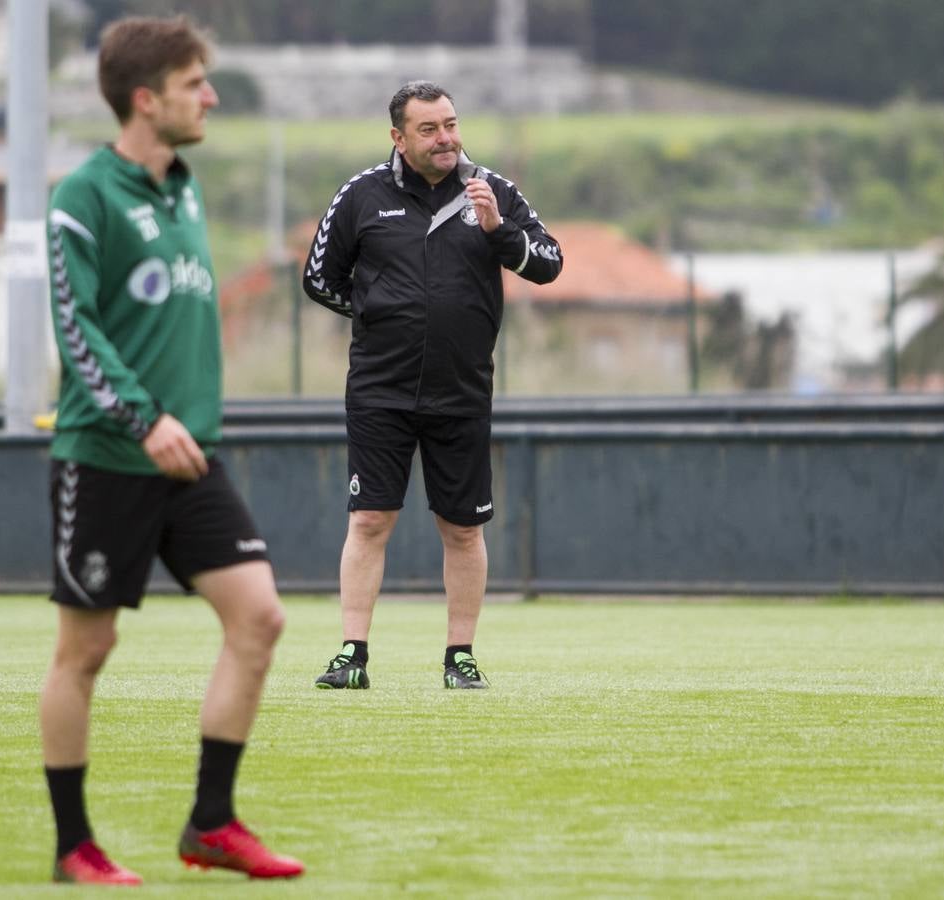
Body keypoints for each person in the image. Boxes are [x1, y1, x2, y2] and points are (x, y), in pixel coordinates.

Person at [39, 16, 303, 885]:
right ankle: (73, 845)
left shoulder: (182, 190)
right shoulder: (83, 194)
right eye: (196, 83)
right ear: (147, 100)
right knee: (86, 652)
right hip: (110, 455)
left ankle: (210, 825)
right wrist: (146, 418)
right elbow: (77, 332)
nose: (211, 97)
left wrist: (176, 426)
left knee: (259, 618)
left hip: (191, 460)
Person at [302, 80, 563, 691]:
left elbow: (549, 263)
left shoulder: (491, 190)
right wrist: (377, 314)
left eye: (450, 124)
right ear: (398, 137)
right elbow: (320, 277)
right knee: (369, 519)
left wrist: (499, 231)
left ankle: (460, 657)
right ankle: (352, 655)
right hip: (379, 390)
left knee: (463, 528)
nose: (445, 138)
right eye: (429, 129)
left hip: (463, 390)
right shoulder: (362, 195)